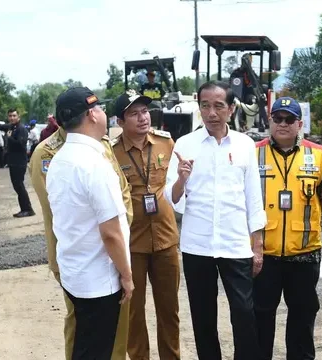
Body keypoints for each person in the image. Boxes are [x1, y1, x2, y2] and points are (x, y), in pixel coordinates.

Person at [164, 80, 265, 359]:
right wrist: (182, 179)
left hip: (235, 244)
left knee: (244, 313)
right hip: (198, 246)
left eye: (218, 106)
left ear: (231, 109)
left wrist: (257, 244)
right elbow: (171, 198)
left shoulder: (245, 145)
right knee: (203, 316)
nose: (211, 113)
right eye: (205, 106)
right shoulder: (185, 145)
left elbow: (253, 197)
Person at [29, 96, 133, 360]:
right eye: (98, 107)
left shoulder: (62, 159)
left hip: (77, 270)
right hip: (99, 276)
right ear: (91, 115)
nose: (103, 112)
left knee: (86, 345)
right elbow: (110, 232)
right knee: (97, 348)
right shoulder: (93, 163)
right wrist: (127, 275)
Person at [253, 97, 322, 360]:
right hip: (263, 254)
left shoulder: (320, 155)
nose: (283, 124)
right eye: (278, 118)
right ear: (270, 121)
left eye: (289, 119)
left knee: (302, 318)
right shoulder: (252, 153)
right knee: (259, 318)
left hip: (305, 253)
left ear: (300, 124)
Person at [112, 90, 181, 359]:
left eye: (145, 111)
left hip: (165, 240)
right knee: (133, 314)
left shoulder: (167, 143)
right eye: (133, 113)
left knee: (169, 311)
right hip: (132, 244)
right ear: (120, 121)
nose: (142, 118)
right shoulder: (112, 153)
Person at [0, 109, 35, 217]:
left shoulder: (21, 129)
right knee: (17, 186)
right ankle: (25, 208)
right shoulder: (11, 127)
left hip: (19, 161)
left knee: (19, 185)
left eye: (14, 116)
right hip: (13, 161)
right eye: (10, 116)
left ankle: (27, 209)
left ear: (18, 117)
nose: (12, 118)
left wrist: (9, 138)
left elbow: (21, 144)